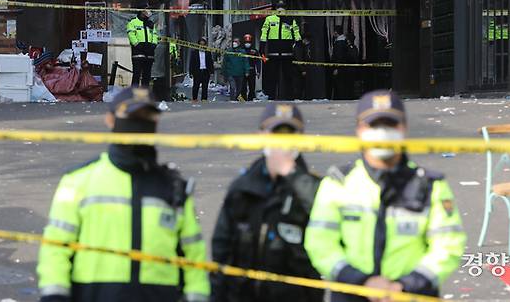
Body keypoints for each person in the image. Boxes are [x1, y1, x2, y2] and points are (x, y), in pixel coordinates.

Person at [37, 87, 210, 302]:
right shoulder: (78, 181)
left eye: (147, 117)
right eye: (131, 116)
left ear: (156, 123)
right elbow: (56, 248)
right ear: (110, 120)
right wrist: (55, 295)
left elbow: (193, 257)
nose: (139, 123)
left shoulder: (173, 188)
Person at [305, 90, 466, 302]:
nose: (383, 132)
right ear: (359, 130)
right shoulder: (338, 184)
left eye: (390, 125)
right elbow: (320, 243)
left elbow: (448, 245)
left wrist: (404, 286)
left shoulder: (430, 186)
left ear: (404, 128)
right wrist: (362, 282)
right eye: (374, 125)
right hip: (352, 294)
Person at [211, 103, 323, 302]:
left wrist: (292, 174)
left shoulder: (315, 189)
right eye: (276, 132)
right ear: (261, 135)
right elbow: (221, 251)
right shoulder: (243, 188)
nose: (282, 140)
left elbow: (326, 238)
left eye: (289, 133)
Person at [260, 1, 301, 100]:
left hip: (287, 52)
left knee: (288, 76)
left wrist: (298, 45)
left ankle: (290, 96)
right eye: (279, 7)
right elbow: (264, 32)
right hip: (273, 52)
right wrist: (262, 47)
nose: (280, 9)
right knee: (272, 76)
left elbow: (296, 32)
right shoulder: (269, 19)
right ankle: (272, 95)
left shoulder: (290, 19)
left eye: (282, 7)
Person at [126, 10, 158, 87]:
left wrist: (153, 45)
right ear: (141, 12)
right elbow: (131, 35)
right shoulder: (133, 22)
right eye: (146, 10)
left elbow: (155, 35)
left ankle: (145, 95)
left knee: (147, 76)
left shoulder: (150, 24)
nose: (148, 12)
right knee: (136, 74)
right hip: (138, 53)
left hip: (149, 53)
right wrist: (137, 45)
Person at [222, 38, 250, 102]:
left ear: (239, 43)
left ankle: (237, 98)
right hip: (230, 73)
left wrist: (247, 71)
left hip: (240, 73)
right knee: (233, 87)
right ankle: (232, 99)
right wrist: (224, 73)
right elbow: (224, 63)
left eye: (236, 42)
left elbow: (246, 62)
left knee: (239, 88)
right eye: (233, 41)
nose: (234, 43)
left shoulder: (242, 52)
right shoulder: (228, 51)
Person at [189, 38, 214, 102]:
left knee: (205, 87)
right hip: (197, 72)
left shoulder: (208, 53)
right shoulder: (194, 53)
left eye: (203, 44)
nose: (202, 46)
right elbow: (191, 63)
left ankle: (204, 99)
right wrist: (191, 72)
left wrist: (211, 72)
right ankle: (194, 99)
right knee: (196, 86)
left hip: (205, 71)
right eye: (200, 44)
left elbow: (210, 62)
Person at [331, 26, 350, 100]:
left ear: (336, 32)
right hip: (344, 67)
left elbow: (339, 57)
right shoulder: (344, 41)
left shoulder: (339, 43)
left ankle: (341, 98)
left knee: (340, 84)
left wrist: (336, 68)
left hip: (340, 68)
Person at [293, 34, 313, 100]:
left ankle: (299, 96)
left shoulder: (297, 46)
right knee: (298, 84)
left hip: (298, 68)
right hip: (298, 69)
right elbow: (299, 59)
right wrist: (303, 70)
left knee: (299, 84)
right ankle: (299, 97)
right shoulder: (299, 47)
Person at [242, 34, 261, 101]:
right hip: (242, 71)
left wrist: (258, 71)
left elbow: (258, 61)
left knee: (252, 87)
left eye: (249, 42)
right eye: (246, 42)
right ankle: (243, 99)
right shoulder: (241, 51)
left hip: (252, 70)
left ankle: (250, 99)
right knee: (243, 87)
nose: (247, 44)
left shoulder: (254, 51)